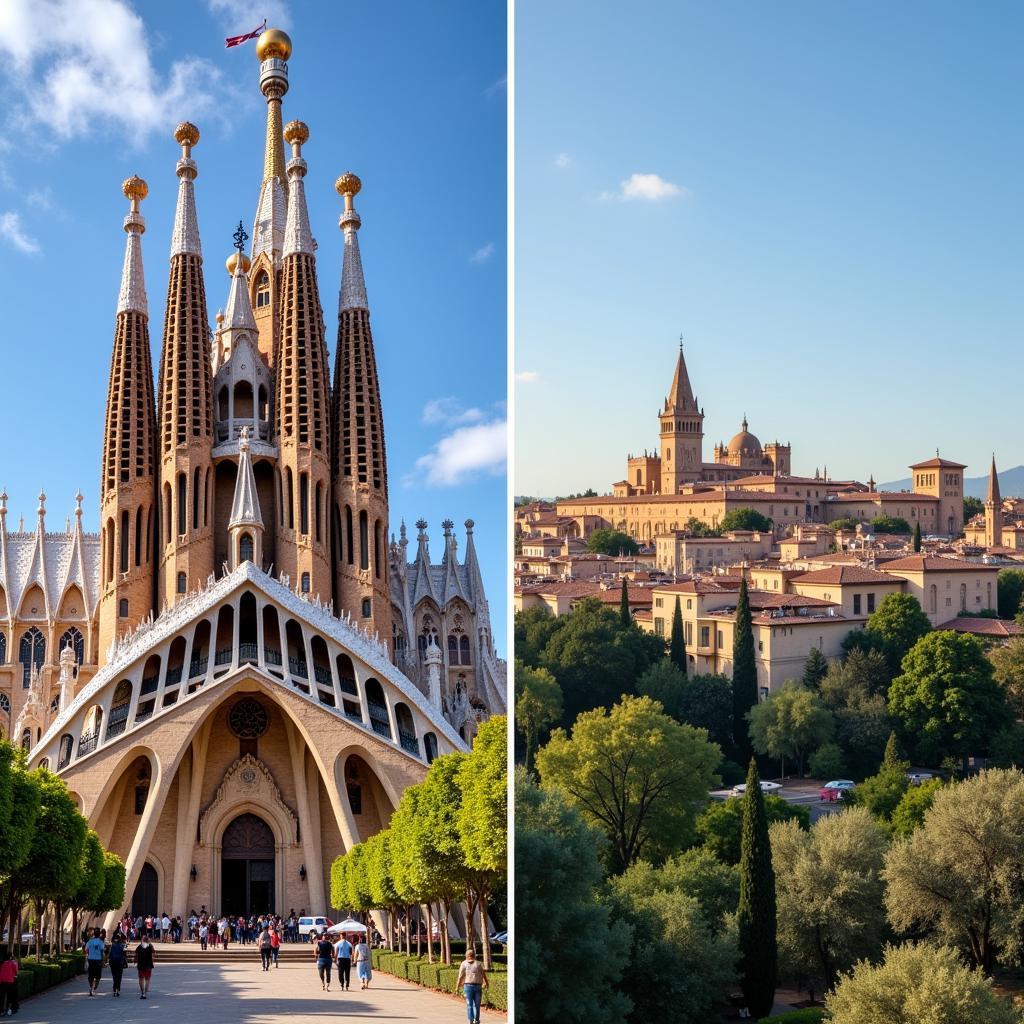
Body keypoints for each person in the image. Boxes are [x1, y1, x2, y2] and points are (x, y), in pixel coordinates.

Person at [456, 947, 489, 1024]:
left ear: (467, 956)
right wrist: (486, 983)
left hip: (468, 987)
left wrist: (457, 986)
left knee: (469, 1004)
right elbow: (484, 975)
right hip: (478, 987)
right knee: (477, 1005)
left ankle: (471, 1020)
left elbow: (460, 976)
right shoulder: (479, 964)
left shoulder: (463, 963)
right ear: (474, 955)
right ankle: (476, 1020)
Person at [84, 927, 106, 996]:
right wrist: (103, 961)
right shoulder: (100, 942)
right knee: (98, 976)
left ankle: (91, 987)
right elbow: (102, 951)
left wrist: (89, 954)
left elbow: (86, 949)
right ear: (99, 934)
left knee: (91, 976)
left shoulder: (90, 941)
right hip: (98, 960)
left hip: (91, 960)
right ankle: (94, 986)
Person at [135, 935, 155, 1000]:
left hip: (141, 965)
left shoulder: (139, 946)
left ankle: (142, 992)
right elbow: (154, 952)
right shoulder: (150, 946)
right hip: (148, 965)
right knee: (147, 979)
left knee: (141, 979)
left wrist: (135, 960)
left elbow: (136, 953)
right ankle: (144, 994)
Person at [108, 932, 127, 997]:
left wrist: (109, 960)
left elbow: (110, 955)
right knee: (119, 976)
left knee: (114, 976)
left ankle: (114, 989)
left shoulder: (112, 946)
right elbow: (124, 955)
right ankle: (117, 989)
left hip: (113, 962)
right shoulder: (122, 946)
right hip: (120, 962)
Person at [0, 951, 19, 1016]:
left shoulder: (1, 963)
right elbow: (16, 972)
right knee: (9, 996)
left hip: (2, 981)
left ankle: (1, 1010)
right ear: (11, 956)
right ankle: (8, 1009)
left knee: (2, 996)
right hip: (10, 981)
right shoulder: (12, 963)